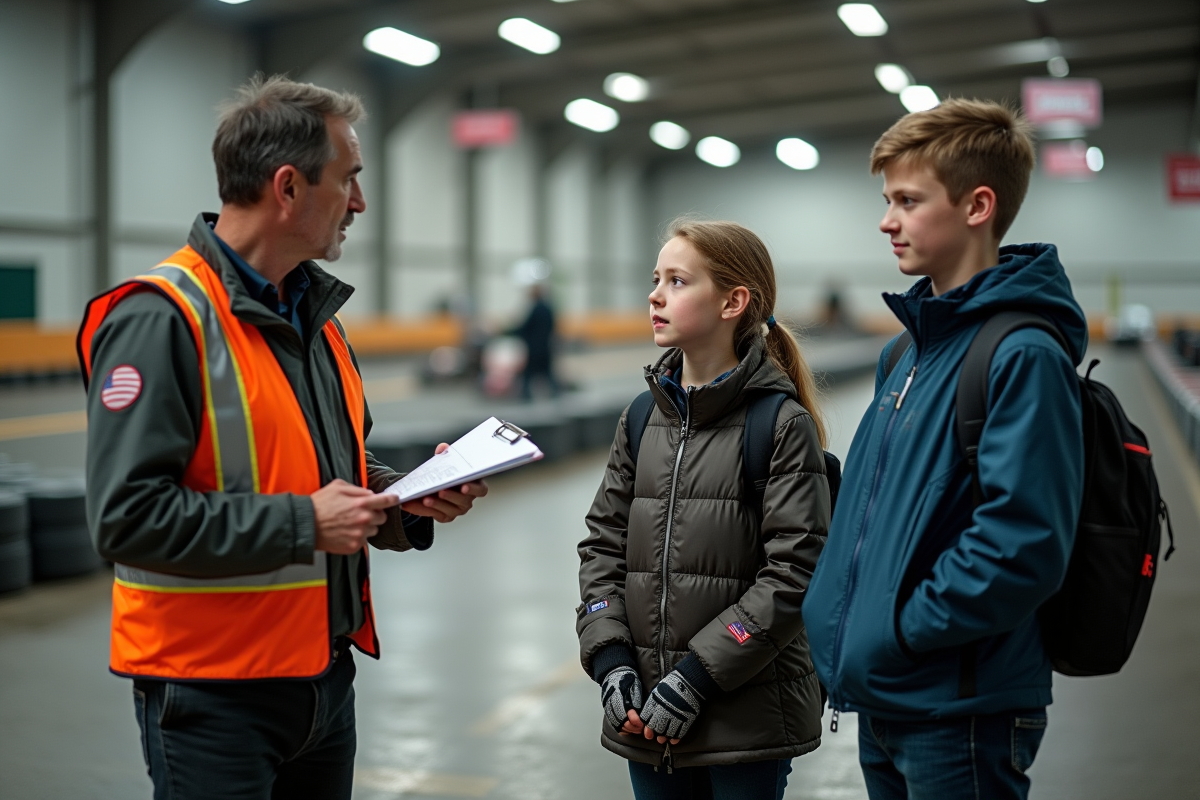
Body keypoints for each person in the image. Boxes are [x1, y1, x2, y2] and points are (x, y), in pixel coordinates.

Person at [77, 75, 488, 800]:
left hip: (323, 679)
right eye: (349, 178)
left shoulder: (317, 319)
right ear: (289, 188)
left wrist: (404, 498)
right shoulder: (162, 319)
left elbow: (329, 467)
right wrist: (305, 523)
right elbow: (126, 519)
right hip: (213, 692)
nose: (359, 203)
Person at [803, 99, 1087, 800]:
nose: (887, 220)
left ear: (977, 206)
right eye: (886, 200)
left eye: (908, 200)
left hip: (960, 709)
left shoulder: (1021, 354)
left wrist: (899, 630)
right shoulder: (906, 352)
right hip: (889, 695)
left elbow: (1022, 544)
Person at [576, 219, 831, 800]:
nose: (654, 295)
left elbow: (794, 573)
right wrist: (612, 656)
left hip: (745, 718)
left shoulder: (779, 425)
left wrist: (694, 678)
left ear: (732, 302)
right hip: (645, 714)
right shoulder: (641, 418)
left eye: (677, 280)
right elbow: (602, 547)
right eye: (655, 279)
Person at [510, 283, 559, 400]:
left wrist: (511, 332)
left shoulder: (535, 309)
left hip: (534, 347)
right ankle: (555, 392)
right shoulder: (548, 308)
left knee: (528, 373)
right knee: (547, 372)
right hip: (545, 346)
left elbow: (526, 327)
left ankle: (526, 395)